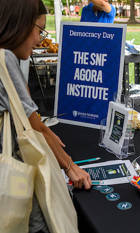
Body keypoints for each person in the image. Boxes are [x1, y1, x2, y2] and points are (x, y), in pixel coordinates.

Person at [0, 0, 92, 232]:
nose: (40, 40)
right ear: (20, 23)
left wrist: (48, 130)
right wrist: (70, 167)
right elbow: (34, 126)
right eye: (39, 30)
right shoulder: (5, 59)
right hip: (15, 174)